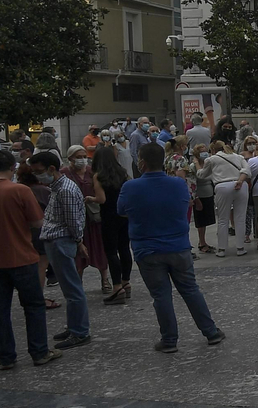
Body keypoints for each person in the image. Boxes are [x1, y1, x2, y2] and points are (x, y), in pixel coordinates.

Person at [118, 143, 224, 353]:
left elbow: (122, 211)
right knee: (190, 290)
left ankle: (169, 340)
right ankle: (211, 331)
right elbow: (185, 204)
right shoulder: (178, 184)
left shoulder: (130, 187)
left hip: (147, 248)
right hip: (178, 246)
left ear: (141, 162)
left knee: (161, 296)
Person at [0, 149, 58, 369]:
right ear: (12, 168)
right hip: (21, 256)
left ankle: (6, 356)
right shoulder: (20, 191)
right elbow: (37, 223)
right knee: (33, 306)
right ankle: (39, 352)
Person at [31, 152, 90, 349]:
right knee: (69, 288)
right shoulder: (56, 188)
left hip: (61, 241)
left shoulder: (65, 189)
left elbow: (74, 221)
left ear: (51, 169)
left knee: (72, 288)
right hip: (57, 241)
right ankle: (74, 326)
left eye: (39, 171)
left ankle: (79, 331)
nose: (37, 175)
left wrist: (79, 242)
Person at [62, 146, 111, 294]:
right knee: (78, 251)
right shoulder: (65, 173)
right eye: (78, 156)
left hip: (93, 216)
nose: (82, 159)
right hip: (75, 217)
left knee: (100, 248)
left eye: (84, 156)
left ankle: (105, 279)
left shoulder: (91, 172)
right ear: (70, 158)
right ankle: (78, 281)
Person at [91, 145, 135, 300]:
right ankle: (126, 281)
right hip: (124, 215)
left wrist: (90, 198)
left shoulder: (98, 176)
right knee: (124, 248)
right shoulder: (122, 173)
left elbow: (101, 199)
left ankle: (116, 286)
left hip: (109, 216)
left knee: (111, 251)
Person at [190, 144, 216, 253]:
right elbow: (193, 182)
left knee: (206, 220)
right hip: (200, 194)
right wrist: (196, 198)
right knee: (200, 221)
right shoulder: (193, 166)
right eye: (202, 151)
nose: (205, 153)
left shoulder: (208, 163)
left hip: (209, 192)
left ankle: (204, 241)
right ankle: (201, 242)